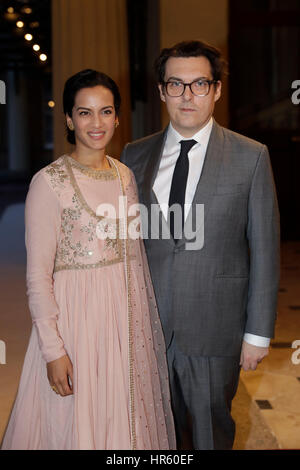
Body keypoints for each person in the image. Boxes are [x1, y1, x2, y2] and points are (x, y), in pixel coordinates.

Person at [1, 69, 176, 450]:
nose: (96, 123)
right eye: (84, 112)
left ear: (117, 116)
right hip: (75, 328)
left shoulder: (126, 176)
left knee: (123, 424)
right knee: (73, 425)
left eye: (105, 111)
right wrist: (53, 349)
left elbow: (134, 259)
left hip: (123, 329)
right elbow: (37, 277)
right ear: (68, 118)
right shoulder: (49, 183)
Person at [121, 40, 280, 450]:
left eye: (199, 84)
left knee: (210, 433)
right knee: (154, 436)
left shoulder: (251, 157)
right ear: (161, 91)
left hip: (215, 330)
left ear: (217, 90)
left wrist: (257, 334)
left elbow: (265, 250)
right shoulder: (133, 156)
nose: (187, 96)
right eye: (176, 84)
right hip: (148, 330)